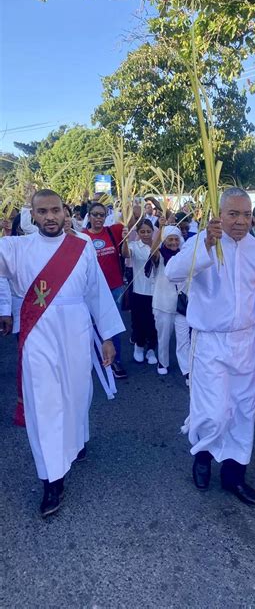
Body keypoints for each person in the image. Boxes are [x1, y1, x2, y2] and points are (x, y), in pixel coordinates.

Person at [0, 189, 124, 518]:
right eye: (42, 212)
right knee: (44, 404)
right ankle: (52, 478)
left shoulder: (81, 246)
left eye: (55, 210)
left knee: (77, 394)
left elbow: (97, 292)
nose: (50, 217)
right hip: (38, 335)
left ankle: (78, 438)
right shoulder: (16, 248)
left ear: (64, 211)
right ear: (32, 215)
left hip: (77, 331)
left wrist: (108, 336)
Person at [165, 187, 255, 507]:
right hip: (210, 342)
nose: (240, 221)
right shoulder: (202, 242)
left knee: (242, 410)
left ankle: (234, 474)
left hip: (246, 342)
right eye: (233, 214)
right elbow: (173, 273)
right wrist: (205, 248)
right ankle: (202, 456)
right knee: (212, 411)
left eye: (246, 214)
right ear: (220, 214)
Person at [83, 202, 127, 379]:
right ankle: (94, 359)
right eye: (95, 214)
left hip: (114, 287)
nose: (98, 218)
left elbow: (134, 217)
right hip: (91, 291)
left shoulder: (113, 230)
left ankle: (116, 361)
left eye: (102, 214)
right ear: (89, 216)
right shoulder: (82, 236)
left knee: (112, 326)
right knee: (91, 326)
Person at [149, 225, 190, 378]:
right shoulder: (159, 256)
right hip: (163, 304)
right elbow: (152, 253)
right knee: (164, 337)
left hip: (182, 306)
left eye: (176, 239)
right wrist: (160, 229)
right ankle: (162, 361)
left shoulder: (184, 255)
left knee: (184, 339)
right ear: (164, 240)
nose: (173, 242)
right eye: (170, 239)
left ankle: (186, 370)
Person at [121, 219, 158, 364]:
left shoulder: (158, 245)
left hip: (156, 292)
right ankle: (139, 345)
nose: (146, 234)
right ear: (138, 233)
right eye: (142, 231)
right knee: (139, 321)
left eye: (148, 231)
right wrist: (124, 240)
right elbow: (125, 254)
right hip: (139, 291)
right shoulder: (134, 246)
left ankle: (151, 349)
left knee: (154, 323)